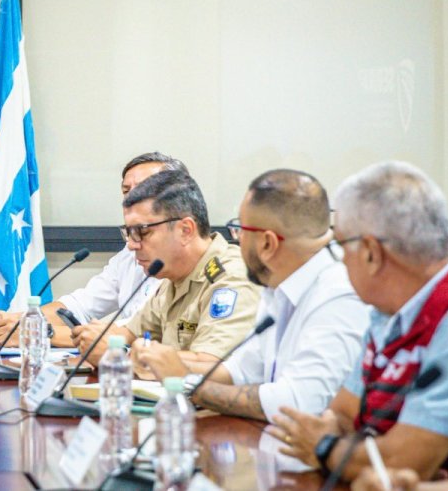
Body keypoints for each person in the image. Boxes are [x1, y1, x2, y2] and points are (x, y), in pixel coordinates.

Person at [129, 169, 368, 421]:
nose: (237, 240)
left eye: (241, 230)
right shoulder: (276, 283)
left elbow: (296, 403)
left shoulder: (339, 294)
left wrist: (187, 384)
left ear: (268, 244)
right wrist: (170, 365)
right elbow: (241, 370)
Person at [271, 161, 448, 484]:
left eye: (341, 246)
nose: (340, 261)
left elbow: (407, 463)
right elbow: (342, 413)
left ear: (371, 252)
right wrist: (332, 437)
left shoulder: (447, 319)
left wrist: (325, 448)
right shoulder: (387, 311)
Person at [0, 152, 187, 347]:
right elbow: (79, 306)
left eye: (144, 190)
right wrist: (20, 319)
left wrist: (41, 331)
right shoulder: (129, 254)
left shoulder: (185, 259)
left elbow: (134, 333)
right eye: (127, 191)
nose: (132, 198)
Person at [75, 169, 260, 368]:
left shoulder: (230, 278)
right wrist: (96, 336)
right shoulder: (173, 277)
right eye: (129, 232)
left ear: (185, 230)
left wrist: (119, 359)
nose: (131, 244)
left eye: (142, 232)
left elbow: (209, 366)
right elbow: (127, 334)